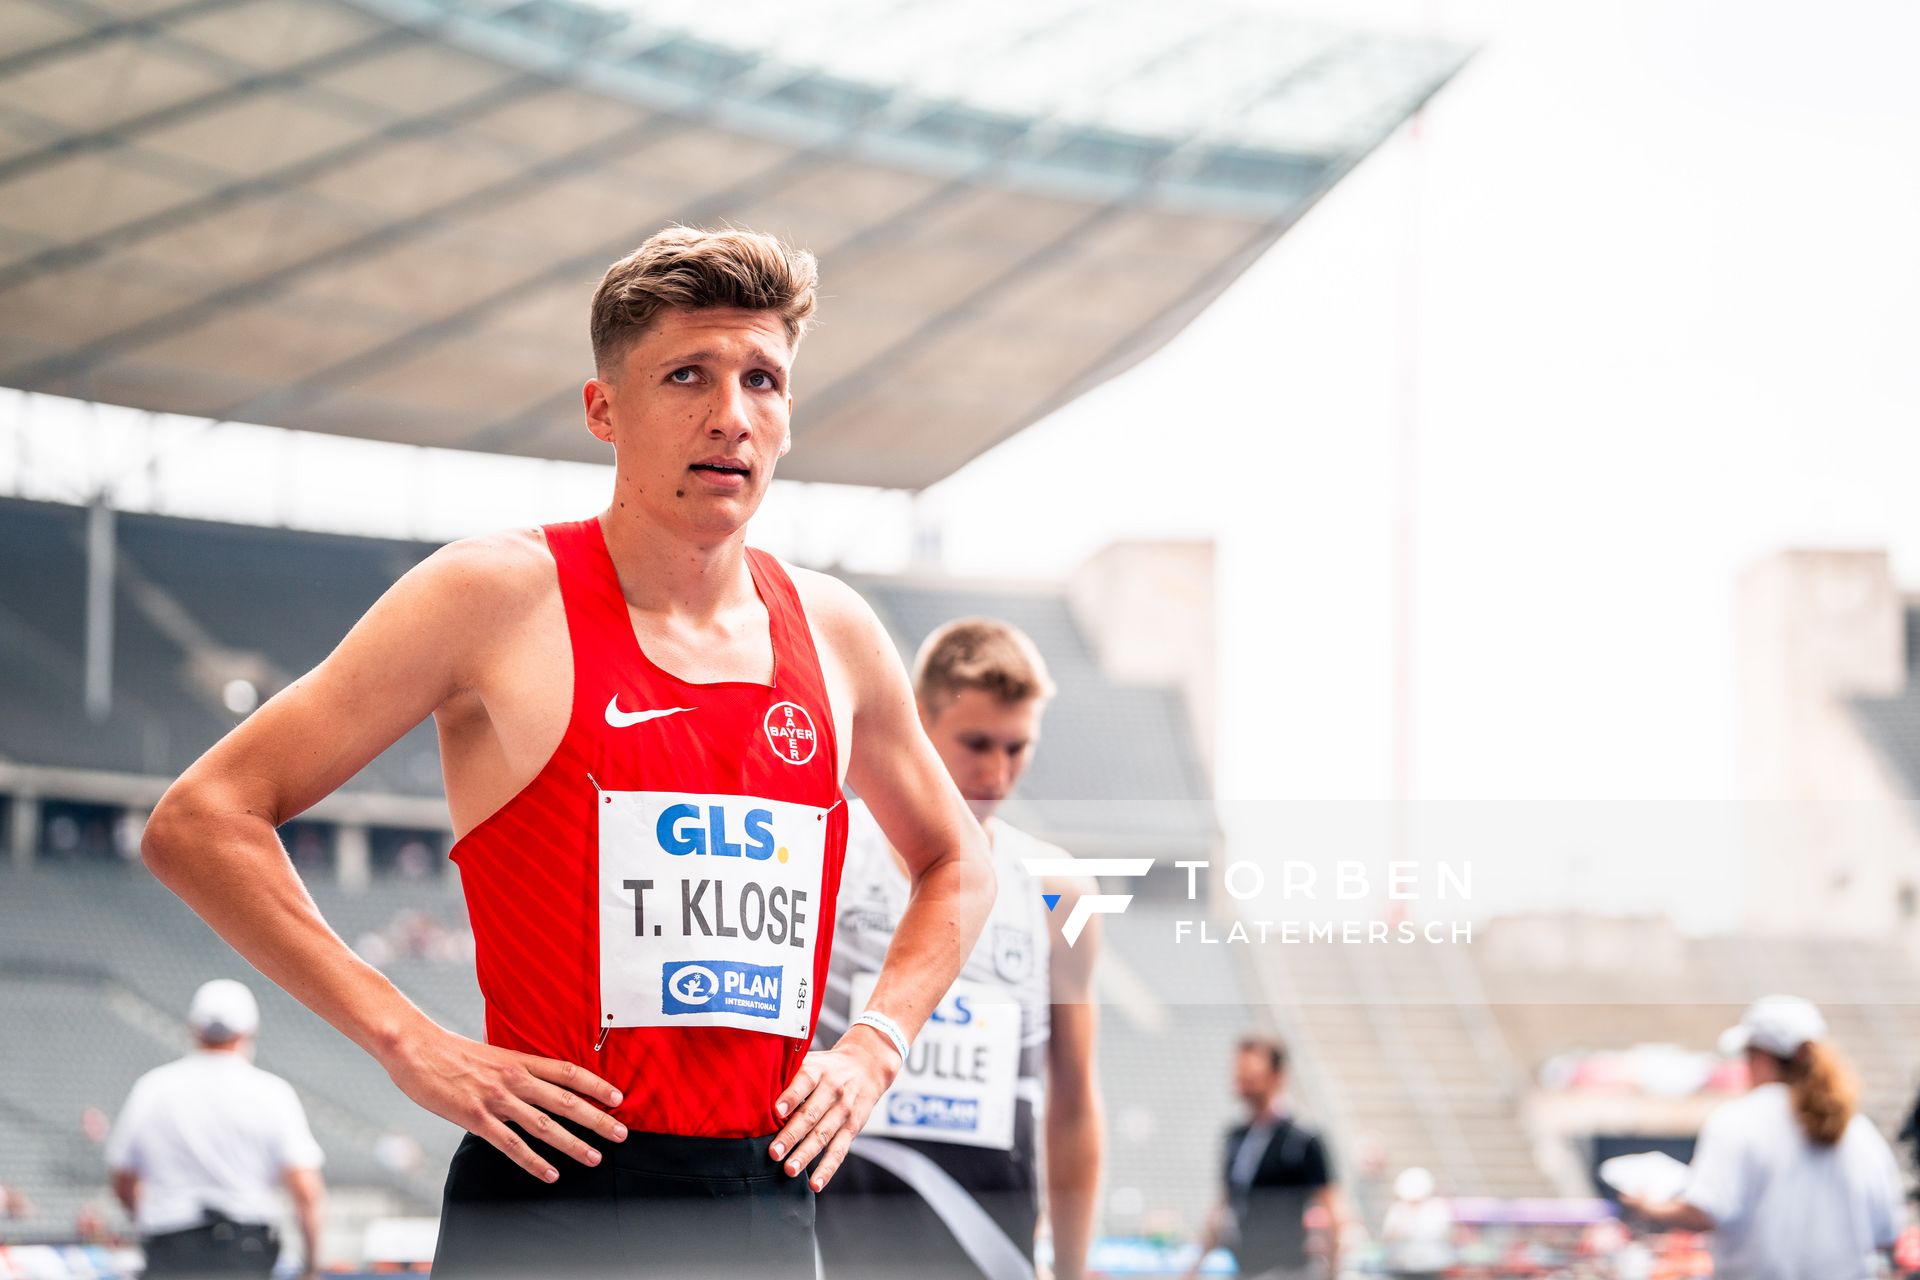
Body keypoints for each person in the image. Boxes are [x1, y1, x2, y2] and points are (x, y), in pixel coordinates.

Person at [140, 226, 998, 1278]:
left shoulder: (835, 631)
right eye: (687, 374)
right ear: (603, 410)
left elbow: (962, 863)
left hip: (762, 1197)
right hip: (555, 1195)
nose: (731, 413)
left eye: (763, 379)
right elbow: (202, 817)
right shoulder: (494, 598)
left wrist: (875, 1044)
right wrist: (408, 1039)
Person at [814, 618, 1103, 1280]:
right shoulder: (829, 849)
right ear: (917, 722)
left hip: (987, 1246)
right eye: (977, 743)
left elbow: (1075, 1097)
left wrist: (1074, 1268)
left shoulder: (1058, 892)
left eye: (1017, 747)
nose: (998, 772)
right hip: (839, 1234)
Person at [1619, 994, 1904, 1280]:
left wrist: (1647, 1206)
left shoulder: (1739, 1120)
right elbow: (1885, 1232)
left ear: (1759, 1056)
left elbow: (1707, 1211)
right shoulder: (1858, 1130)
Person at [104, 980, 326, 1278]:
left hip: (171, 1248)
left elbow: (123, 1180)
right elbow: (307, 1192)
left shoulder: (154, 1089)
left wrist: (147, 1216)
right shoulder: (272, 1093)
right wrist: (311, 1265)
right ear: (249, 1032)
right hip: (246, 1251)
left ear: (194, 1027)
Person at [1184, 1035, 1344, 1280]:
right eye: (1239, 1072)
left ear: (1276, 1076)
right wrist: (1195, 1265)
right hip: (1246, 1267)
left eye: (1251, 1073)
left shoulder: (1302, 1139)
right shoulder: (1235, 1137)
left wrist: (1332, 1272)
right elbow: (1224, 1205)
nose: (1242, 1080)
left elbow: (1331, 1209)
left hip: (1289, 1269)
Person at [1379, 1165, 1452, 1280]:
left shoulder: (1437, 1208)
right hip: (1402, 1266)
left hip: (1431, 1266)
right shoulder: (1398, 1209)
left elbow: (1441, 1233)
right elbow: (1388, 1235)